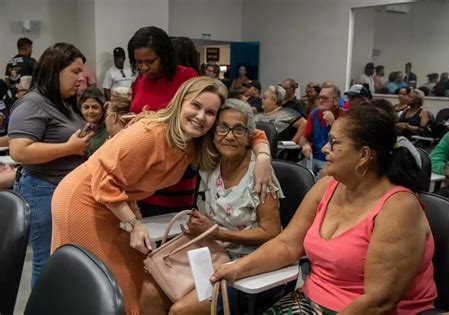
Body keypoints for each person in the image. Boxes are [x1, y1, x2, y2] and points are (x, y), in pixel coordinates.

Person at [51, 77, 273, 314]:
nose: (200, 116)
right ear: (180, 102)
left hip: (115, 203)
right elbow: (104, 181)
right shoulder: (151, 134)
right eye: (195, 106)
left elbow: (249, 130)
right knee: (101, 285)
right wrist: (133, 224)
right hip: (85, 200)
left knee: (134, 281)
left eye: (210, 112)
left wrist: (263, 156)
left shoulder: (193, 141)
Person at [212, 105, 436, 314]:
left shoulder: (399, 208)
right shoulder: (328, 185)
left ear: (364, 155)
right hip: (310, 302)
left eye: (334, 142)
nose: (324, 148)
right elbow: (287, 244)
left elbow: (379, 302)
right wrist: (236, 269)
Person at [140, 98, 283, 314]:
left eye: (238, 130)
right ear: (214, 135)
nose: (229, 136)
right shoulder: (210, 163)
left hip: (245, 264)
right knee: (149, 290)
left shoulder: (261, 175)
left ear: (248, 138)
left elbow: (271, 232)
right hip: (209, 253)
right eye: (223, 128)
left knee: (181, 311)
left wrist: (218, 233)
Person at [8, 43, 92, 287]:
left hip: (64, 191)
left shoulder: (63, 102)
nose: (81, 78)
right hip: (43, 190)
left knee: (63, 260)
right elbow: (20, 150)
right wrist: (69, 148)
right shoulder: (32, 103)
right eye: (75, 71)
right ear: (55, 70)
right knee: (47, 262)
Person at [127, 26, 200, 216]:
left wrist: (152, 119)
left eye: (150, 61)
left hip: (174, 170)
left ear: (165, 56)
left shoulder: (187, 77)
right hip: (142, 169)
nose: (144, 68)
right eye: (139, 62)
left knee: (170, 231)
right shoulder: (139, 82)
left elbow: (194, 121)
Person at [297, 85, 345, 176]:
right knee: (294, 174)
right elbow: (303, 138)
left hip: (331, 160)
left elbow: (343, 143)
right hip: (313, 158)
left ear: (336, 101)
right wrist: (305, 145)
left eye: (325, 98)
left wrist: (333, 123)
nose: (320, 101)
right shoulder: (314, 114)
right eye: (319, 98)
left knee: (320, 178)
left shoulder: (344, 116)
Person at [79, 87, 108, 155]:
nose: (90, 111)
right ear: (80, 109)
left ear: (103, 109)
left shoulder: (109, 129)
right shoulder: (76, 127)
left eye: (95, 107)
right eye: (86, 107)